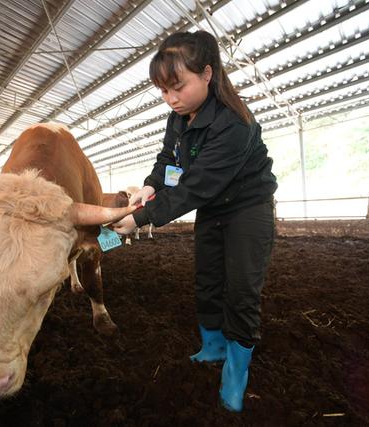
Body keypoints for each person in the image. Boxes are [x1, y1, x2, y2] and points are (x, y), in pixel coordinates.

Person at [111, 30, 277, 412]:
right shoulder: (179, 116)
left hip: (246, 209)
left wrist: (142, 218)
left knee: (241, 287)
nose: (171, 98)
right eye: (163, 91)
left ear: (207, 73)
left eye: (177, 87)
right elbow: (169, 159)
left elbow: (196, 187)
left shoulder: (235, 124)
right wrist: (150, 187)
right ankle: (214, 345)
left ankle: (236, 370)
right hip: (214, 208)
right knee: (207, 278)